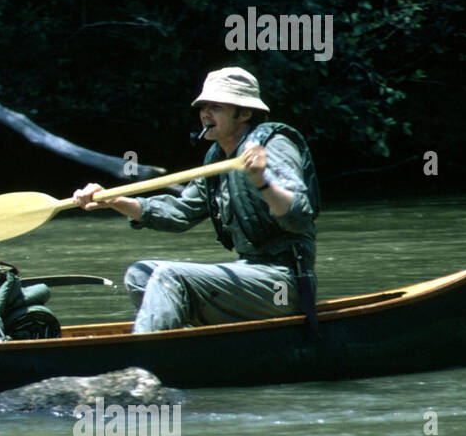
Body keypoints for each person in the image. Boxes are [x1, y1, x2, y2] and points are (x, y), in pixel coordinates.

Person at [72, 66, 319, 333]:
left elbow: (298, 217)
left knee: (169, 277)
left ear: (245, 113)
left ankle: (145, 359)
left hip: (283, 284)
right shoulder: (217, 156)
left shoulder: (274, 145)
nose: (205, 114)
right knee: (140, 275)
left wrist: (261, 179)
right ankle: (178, 344)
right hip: (248, 271)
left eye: (216, 107)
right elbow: (180, 213)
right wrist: (115, 201)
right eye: (203, 106)